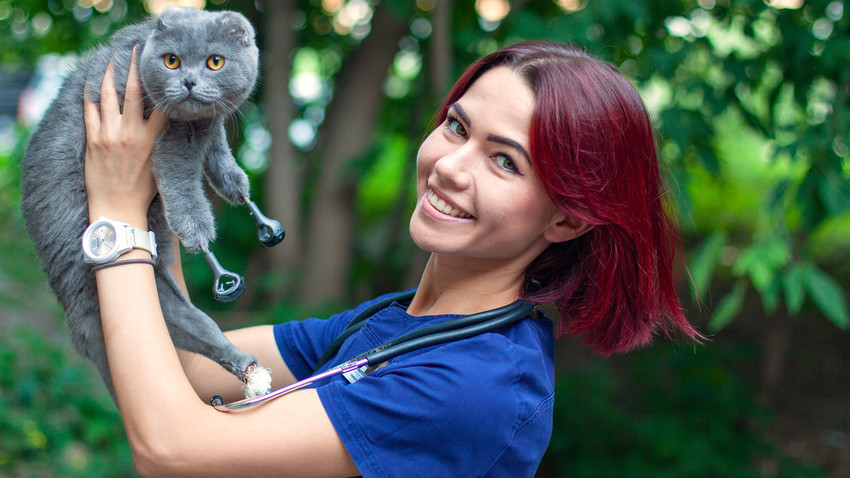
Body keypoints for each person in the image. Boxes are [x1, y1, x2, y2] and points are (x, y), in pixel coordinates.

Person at [84, 40, 700, 477]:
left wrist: (116, 213)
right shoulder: (400, 324)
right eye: (458, 128)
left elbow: (170, 448)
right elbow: (186, 368)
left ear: (567, 218)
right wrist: (156, 199)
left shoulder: (475, 385)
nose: (450, 167)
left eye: (505, 160)